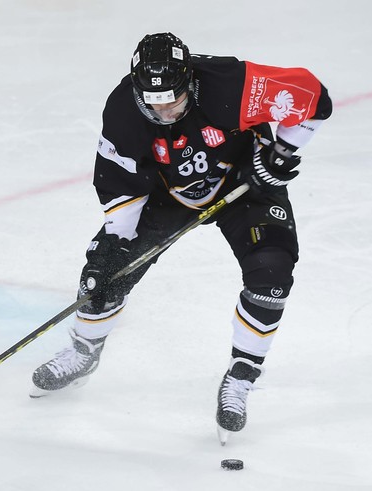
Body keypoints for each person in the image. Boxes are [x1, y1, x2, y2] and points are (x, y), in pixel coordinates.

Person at [29, 33, 331, 444]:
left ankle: (241, 376)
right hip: (167, 194)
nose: (165, 111)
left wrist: (281, 153)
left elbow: (313, 97)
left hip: (246, 182)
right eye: (153, 102)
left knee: (272, 276)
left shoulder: (232, 84)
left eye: (174, 99)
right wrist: (115, 247)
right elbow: (120, 184)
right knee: (104, 275)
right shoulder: (122, 110)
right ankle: (84, 352)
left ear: (190, 80)